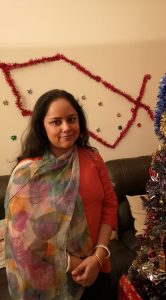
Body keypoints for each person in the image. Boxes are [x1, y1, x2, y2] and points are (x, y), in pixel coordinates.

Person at [4, 89, 118, 300]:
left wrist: (98, 256)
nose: (66, 128)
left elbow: (110, 206)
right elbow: (23, 237)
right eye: (56, 122)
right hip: (54, 275)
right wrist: (69, 262)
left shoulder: (92, 157)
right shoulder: (28, 173)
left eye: (71, 119)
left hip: (98, 266)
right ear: (42, 127)